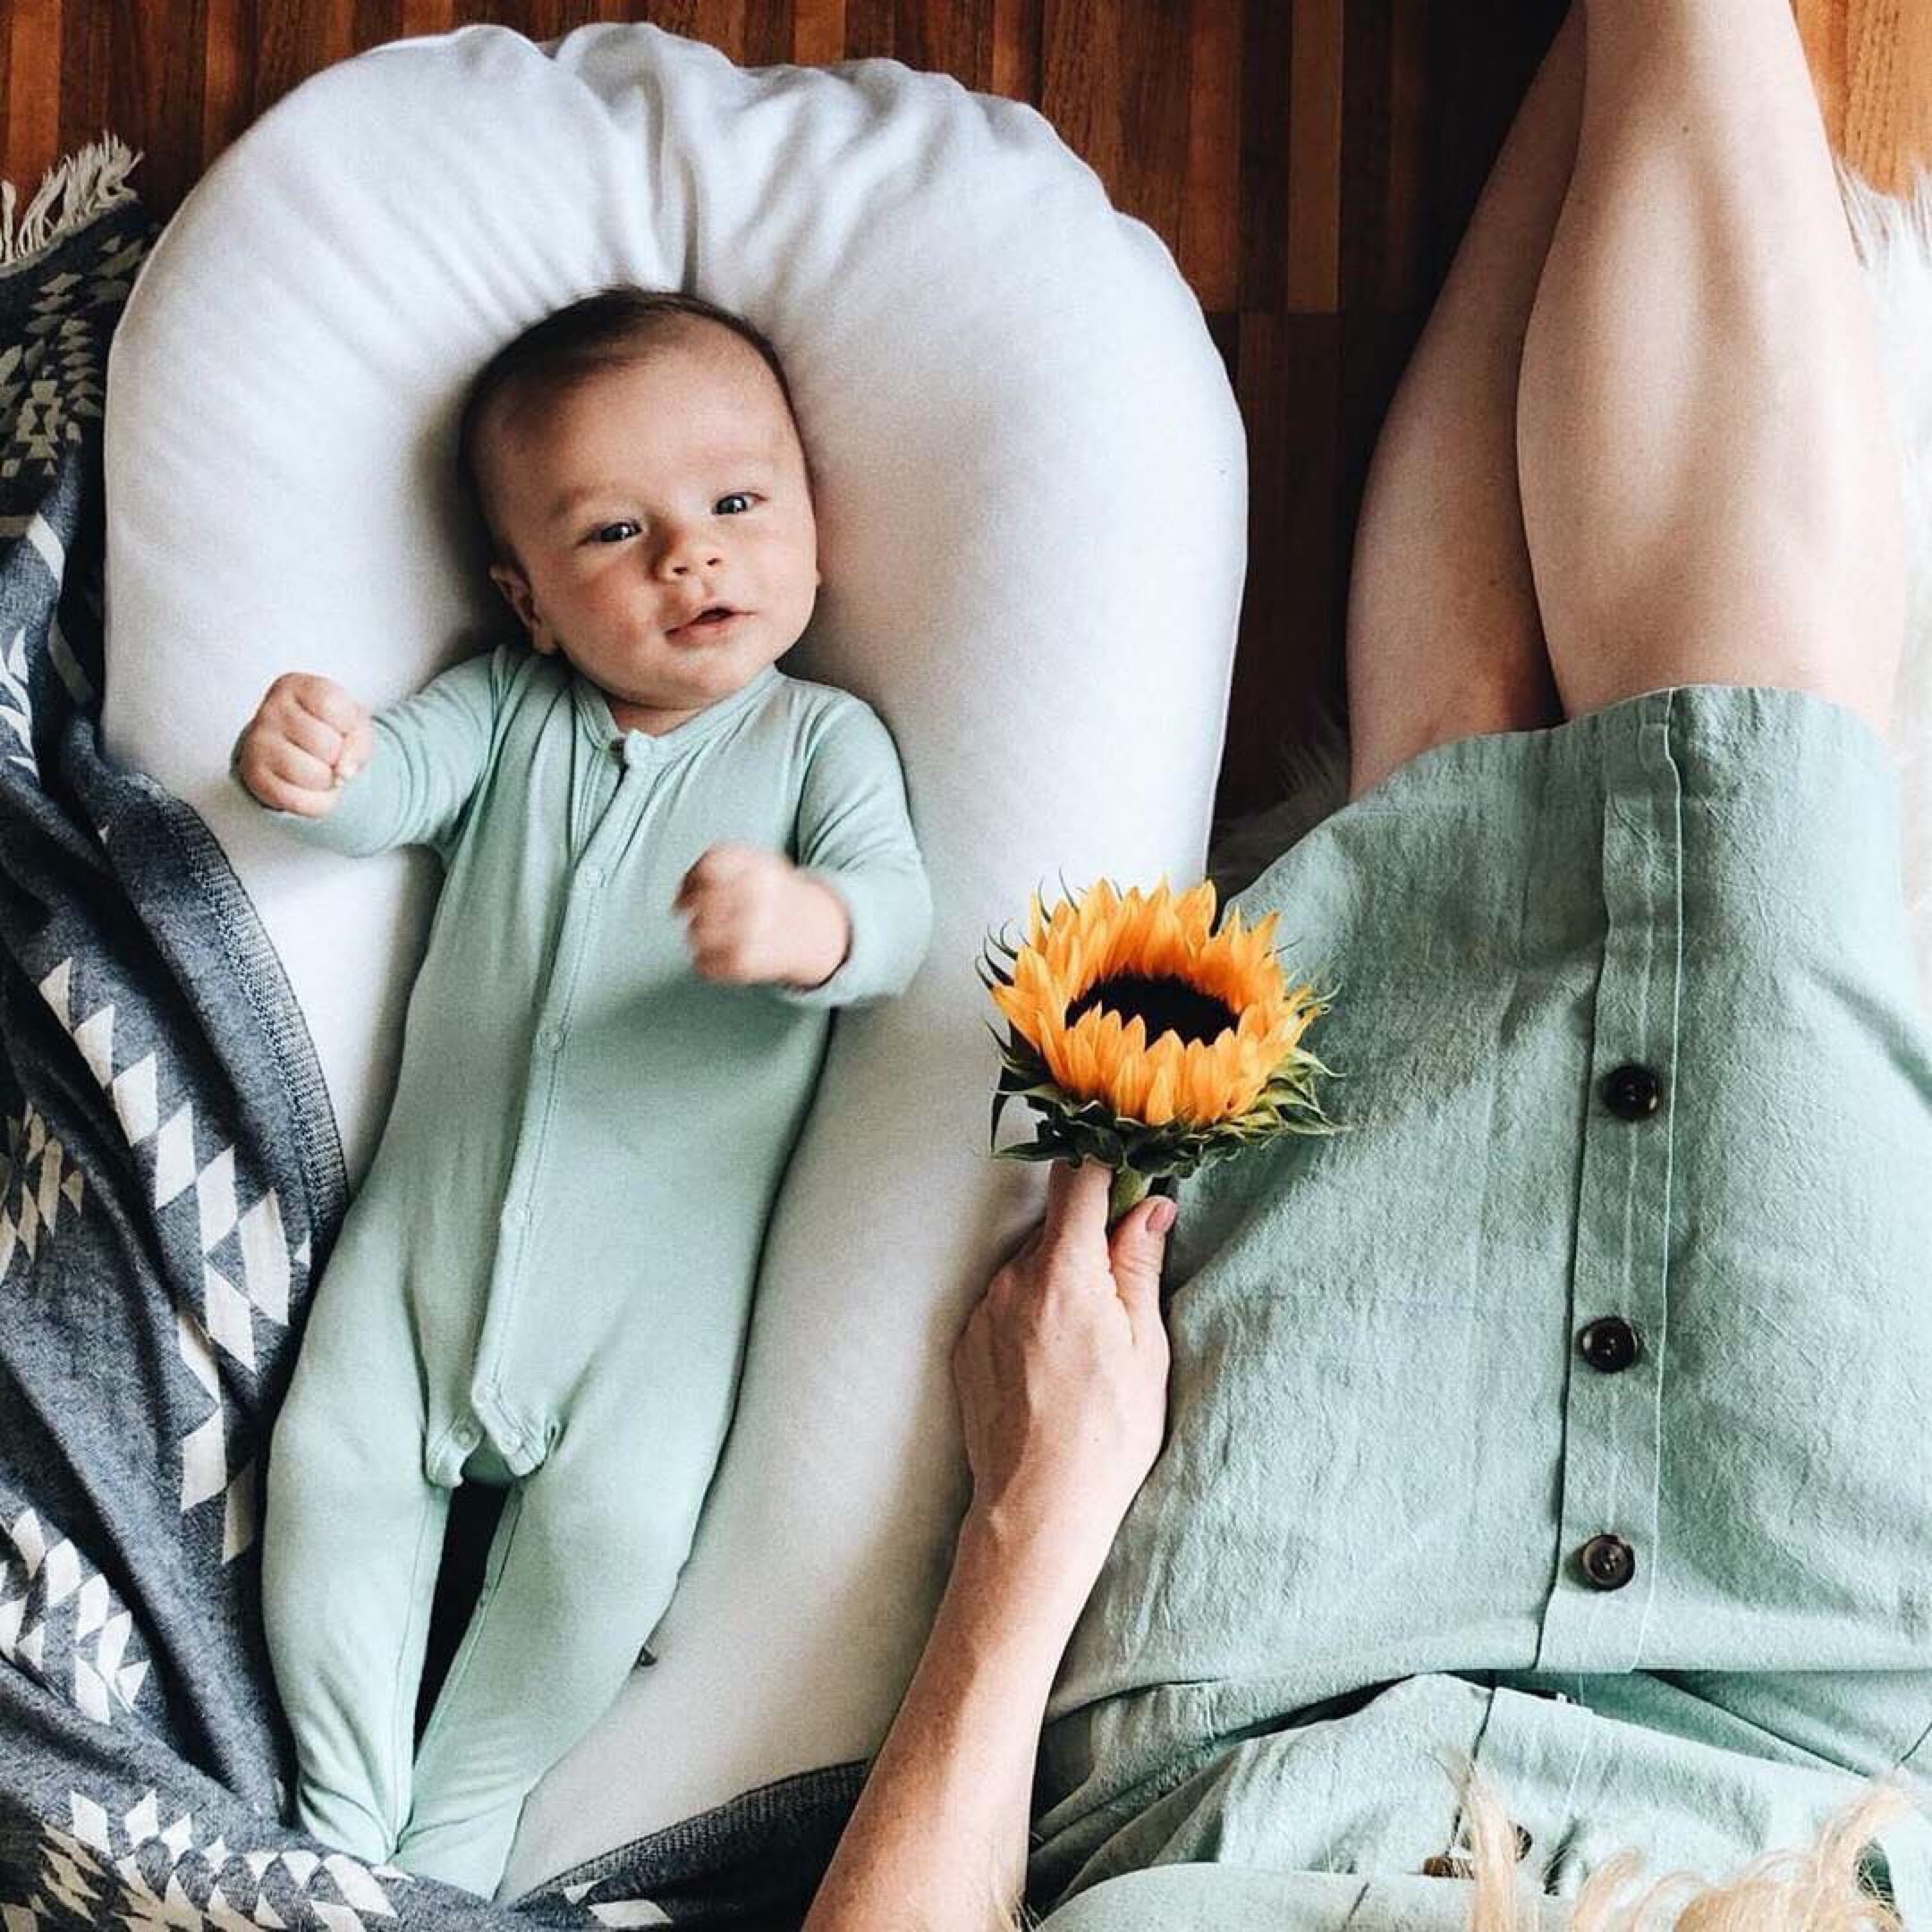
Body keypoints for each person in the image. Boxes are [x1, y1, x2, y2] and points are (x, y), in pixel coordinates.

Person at [800, 2, 1932, 1927]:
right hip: (1812, 1718)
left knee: (1435, 813)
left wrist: (1025, 1534)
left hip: (1269, 1708)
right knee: (1738, 799)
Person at [232, 289, 933, 1896]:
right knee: (331, 1475)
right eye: (617, 532)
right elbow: (388, 787)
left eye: (738, 506)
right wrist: (319, 769)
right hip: (420, 1265)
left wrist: (809, 924)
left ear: (815, 522)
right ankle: (346, 1815)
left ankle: (466, 1821)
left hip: (654, 1308)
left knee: (612, 1550)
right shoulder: (504, 709)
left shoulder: (820, 748)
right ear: (529, 600)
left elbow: (894, 919)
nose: (691, 557)